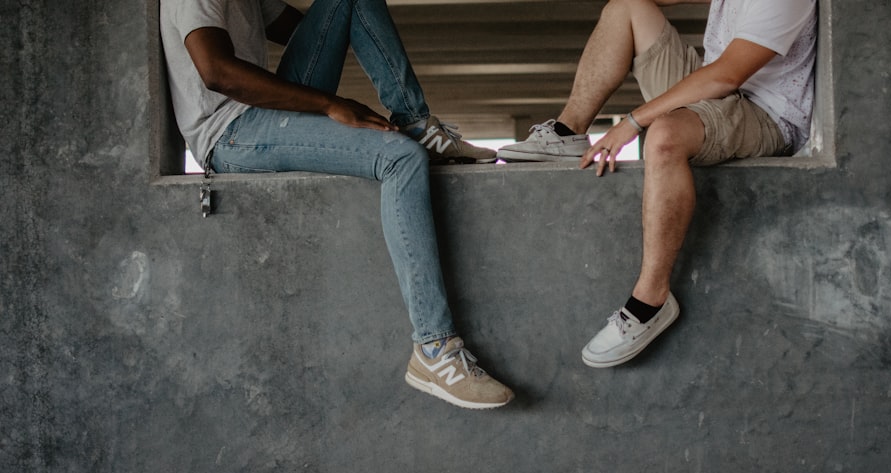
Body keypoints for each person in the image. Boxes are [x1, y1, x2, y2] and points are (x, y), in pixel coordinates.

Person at [160, 0, 513, 408]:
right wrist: (331, 105)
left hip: (257, 112)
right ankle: (434, 350)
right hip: (230, 134)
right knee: (399, 158)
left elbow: (312, 28)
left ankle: (416, 120)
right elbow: (216, 72)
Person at [498, 0, 817, 368]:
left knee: (663, 137)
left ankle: (650, 301)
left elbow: (727, 75)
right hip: (721, 91)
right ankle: (567, 132)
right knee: (627, 7)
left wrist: (632, 123)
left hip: (767, 114)